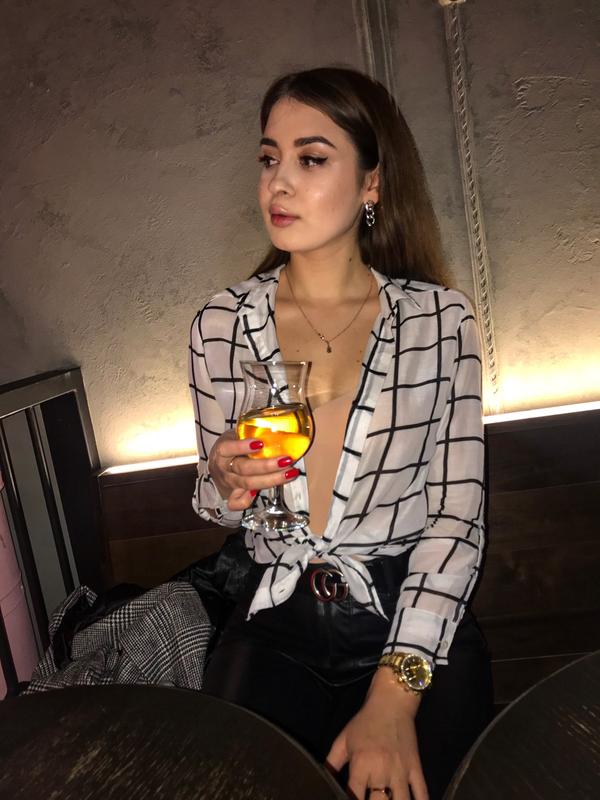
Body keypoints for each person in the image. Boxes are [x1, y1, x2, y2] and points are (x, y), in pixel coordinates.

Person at [188, 67, 493, 800]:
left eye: (312, 158)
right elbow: (214, 498)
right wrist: (224, 480)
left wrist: (396, 694)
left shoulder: (439, 323)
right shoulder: (221, 323)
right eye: (269, 158)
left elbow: (457, 522)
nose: (279, 182)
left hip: (408, 613)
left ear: (372, 183)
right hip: (275, 616)